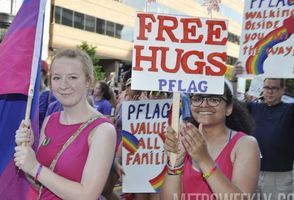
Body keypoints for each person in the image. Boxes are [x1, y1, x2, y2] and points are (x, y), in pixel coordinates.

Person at [14, 49, 116, 199]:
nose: (63, 85)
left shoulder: (103, 130)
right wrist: (26, 153)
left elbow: (87, 195)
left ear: (88, 81)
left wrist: (35, 167)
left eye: (73, 77)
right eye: (56, 78)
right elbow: (40, 186)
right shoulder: (50, 120)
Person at [161, 80, 260, 199]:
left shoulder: (246, 144)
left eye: (214, 99)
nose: (204, 104)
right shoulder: (184, 140)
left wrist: (203, 159)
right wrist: (175, 165)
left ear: (229, 108)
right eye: (197, 98)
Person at [232, 63, 294, 199]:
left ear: (283, 90)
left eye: (274, 88)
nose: (270, 91)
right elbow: (233, 105)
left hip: (279, 176)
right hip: (252, 172)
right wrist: (234, 80)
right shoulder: (253, 108)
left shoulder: (290, 110)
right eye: (267, 87)